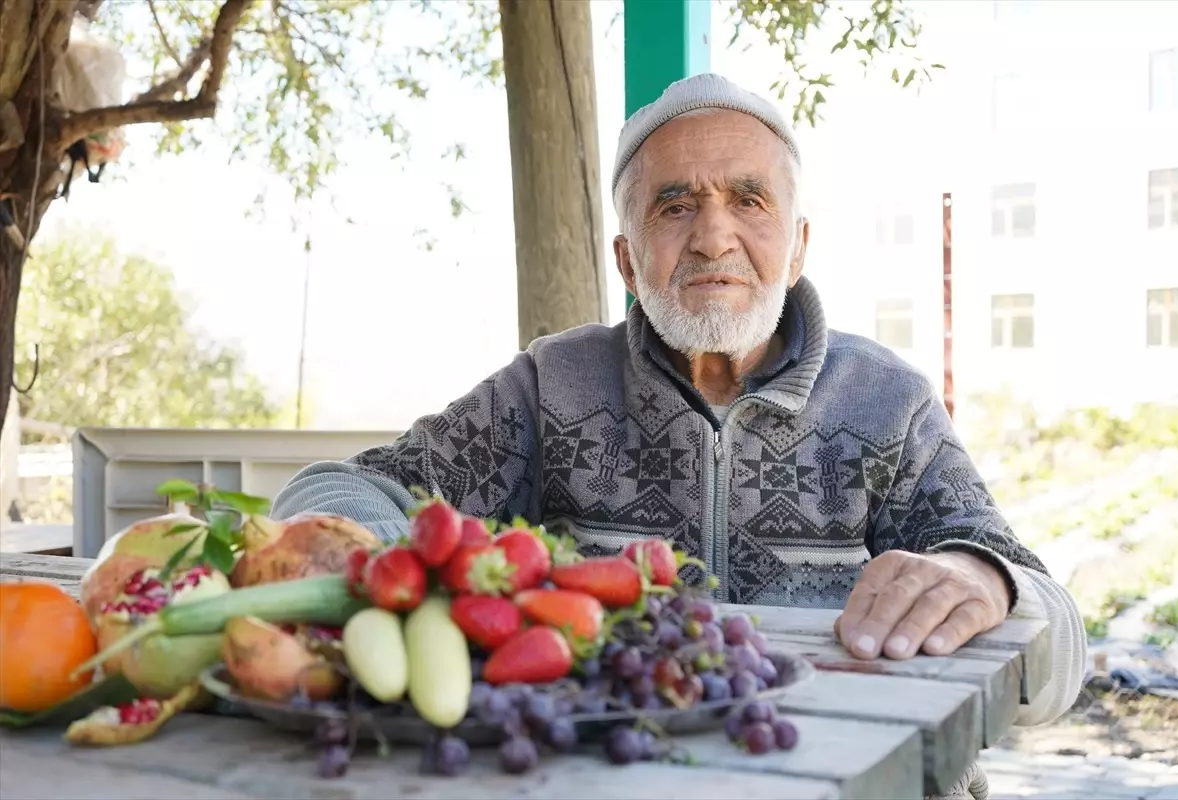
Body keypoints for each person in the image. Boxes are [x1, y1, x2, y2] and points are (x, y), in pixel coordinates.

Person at [274, 73, 1085, 745]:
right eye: (673, 206)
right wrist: (395, 572)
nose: (712, 236)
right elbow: (339, 490)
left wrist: (983, 578)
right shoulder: (553, 386)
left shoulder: (888, 403)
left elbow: (1059, 647)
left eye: (748, 199)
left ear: (798, 243)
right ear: (628, 261)